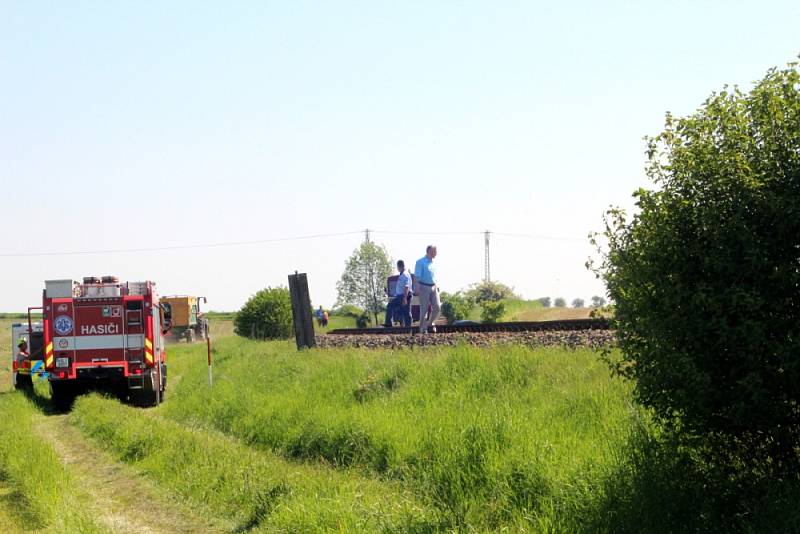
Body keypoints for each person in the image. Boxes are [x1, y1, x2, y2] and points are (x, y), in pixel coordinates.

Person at [414, 245, 441, 333]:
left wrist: (437, 285)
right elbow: (416, 276)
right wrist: (417, 288)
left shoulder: (434, 263)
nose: (436, 253)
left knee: (437, 307)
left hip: (434, 286)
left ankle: (431, 323)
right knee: (424, 309)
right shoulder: (420, 262)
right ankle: (423, 328)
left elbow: (434, 276)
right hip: (423, 286)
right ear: (429, 251)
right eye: (434, 251)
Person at [383, 260, 413, 327]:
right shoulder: (403, 274)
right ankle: (408, 327)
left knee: (390, 306)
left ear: (399, 267)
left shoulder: (405, 275)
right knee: (404, 311)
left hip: (404, 295)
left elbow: (407, 286)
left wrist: (405, 298)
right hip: (401, 296)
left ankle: (389, 324)